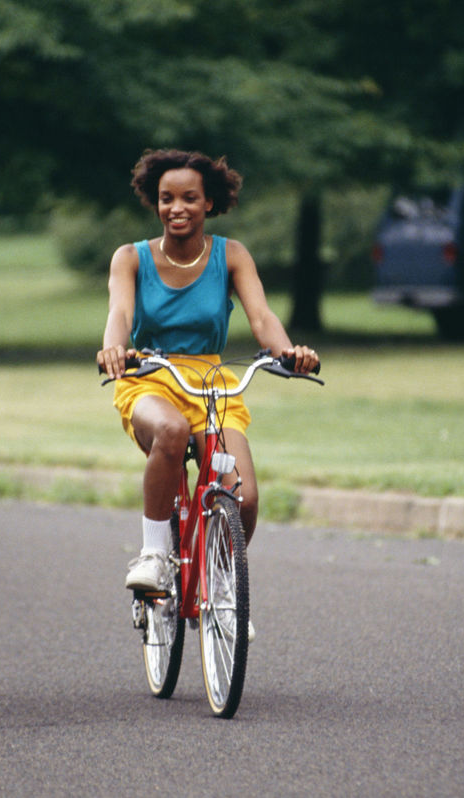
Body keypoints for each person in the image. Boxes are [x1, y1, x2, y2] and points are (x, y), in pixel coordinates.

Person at [96, 148, 320, 610]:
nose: (176, 208)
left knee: (245, 498)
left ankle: (216, 585)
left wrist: (289, 353)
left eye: (189, 198)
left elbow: (262, 317)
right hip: (149, 376)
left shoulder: (231, 255)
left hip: (211, 381)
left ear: (209, 203)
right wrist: (114, 348)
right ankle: (154, 554)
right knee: (171, 430)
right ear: (155, 202)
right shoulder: (131, 257)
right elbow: (119, 312)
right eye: (166, 198)